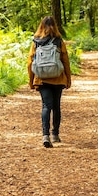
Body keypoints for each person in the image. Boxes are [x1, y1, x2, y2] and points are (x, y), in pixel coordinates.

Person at [27, 16, 71, 148]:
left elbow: (30, 62)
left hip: (41, 79)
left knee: (46, 106)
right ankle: (55, 134)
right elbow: (65, 61)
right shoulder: (59, 41)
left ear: (41, 26)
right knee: (56, 106)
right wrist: (68, 78)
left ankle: (45, 135)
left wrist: (31, 81)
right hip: (57, 78)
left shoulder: (36, 41)